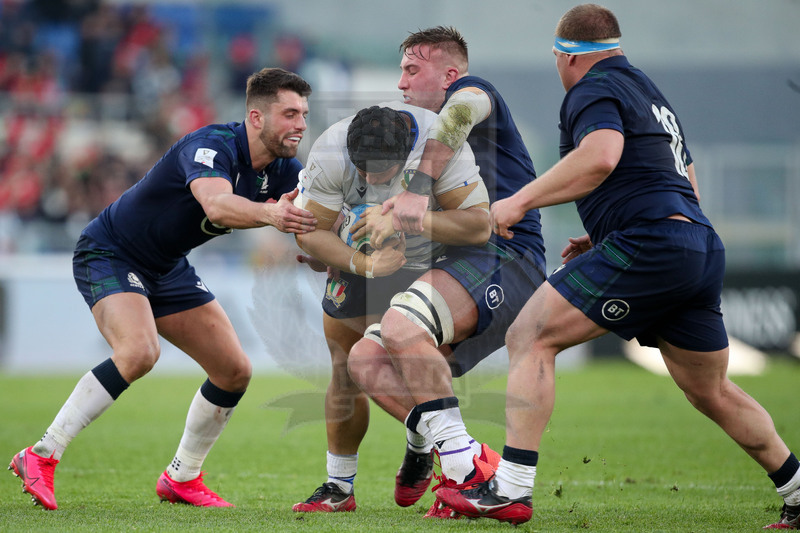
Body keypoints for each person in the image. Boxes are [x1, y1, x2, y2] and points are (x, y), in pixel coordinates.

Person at [422, 5, 800, 528]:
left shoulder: (591, 88)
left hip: (653, 243)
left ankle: (509, 488)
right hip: (696, 242)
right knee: (712, 390)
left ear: (567, 57)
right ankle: (798, 489)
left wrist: (519, 203)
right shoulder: (649, 93)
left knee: (530, 334)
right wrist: (604, 234)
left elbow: (600, 155)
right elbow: (683, 182)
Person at [8, 67, 317, 510]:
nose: (300, 124)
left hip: (166, 267)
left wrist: (334, 251)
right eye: (289, 113)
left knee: (234, 371)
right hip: (111, 251)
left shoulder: (286, 169)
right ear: (256, 117)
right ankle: (41, 454)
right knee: (139, 352)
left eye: (304, 114)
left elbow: (309, 220)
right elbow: (217, 204)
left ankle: (182, 477)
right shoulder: (212, 145)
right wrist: (271, 216)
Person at [296, 26, 548, 519]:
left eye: (412, 69)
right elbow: (313, 224)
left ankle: (470, 470)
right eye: (401, 71)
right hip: (439, 258)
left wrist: (410, 203)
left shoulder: (467, 99)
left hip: (499, 252)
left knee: (400, 329)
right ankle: (419, 449)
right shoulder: (341, 146)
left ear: (450, 73)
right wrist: (356, 251)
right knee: (361, 362)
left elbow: (463, 115)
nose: (402, 83)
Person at [291, 103, 503, 513]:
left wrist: (411, 220)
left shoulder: (439, 147)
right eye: (362, 171)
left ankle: (441, 459)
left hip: (432, 258)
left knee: (412, 361)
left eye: (381, 173)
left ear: (407, 155)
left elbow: (479, 226)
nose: (370, 181)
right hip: (361, 250)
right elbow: (311, 234)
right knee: (343, 365)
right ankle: (339, 486)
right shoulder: (331, 149)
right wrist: (364, 264)